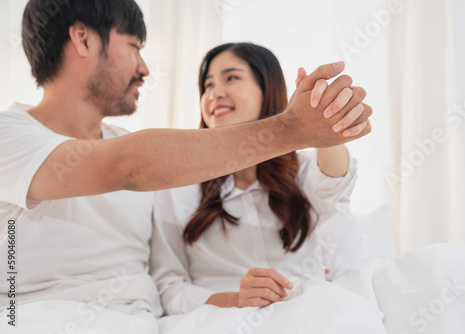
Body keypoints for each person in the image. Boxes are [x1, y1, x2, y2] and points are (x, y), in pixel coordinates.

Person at [0, 0, 373, 331]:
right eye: (134, 47)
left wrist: (326, 127)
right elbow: (130, 166)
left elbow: (331, 193)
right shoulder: (10, 135)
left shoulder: (144, 155)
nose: (145, 68)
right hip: (40, 316)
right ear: (83, 40)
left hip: (141, 322)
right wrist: (291, 128)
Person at [150, 42, 375, 315]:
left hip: (304, 315)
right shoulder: (176, 187)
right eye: (207, 86)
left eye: (231, 78)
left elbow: (334, 190)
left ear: (267, 89)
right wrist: (235, 299)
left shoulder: (303, 172)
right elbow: (169, 289)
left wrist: (326, 126)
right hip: (219, 321)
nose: (215, 93)